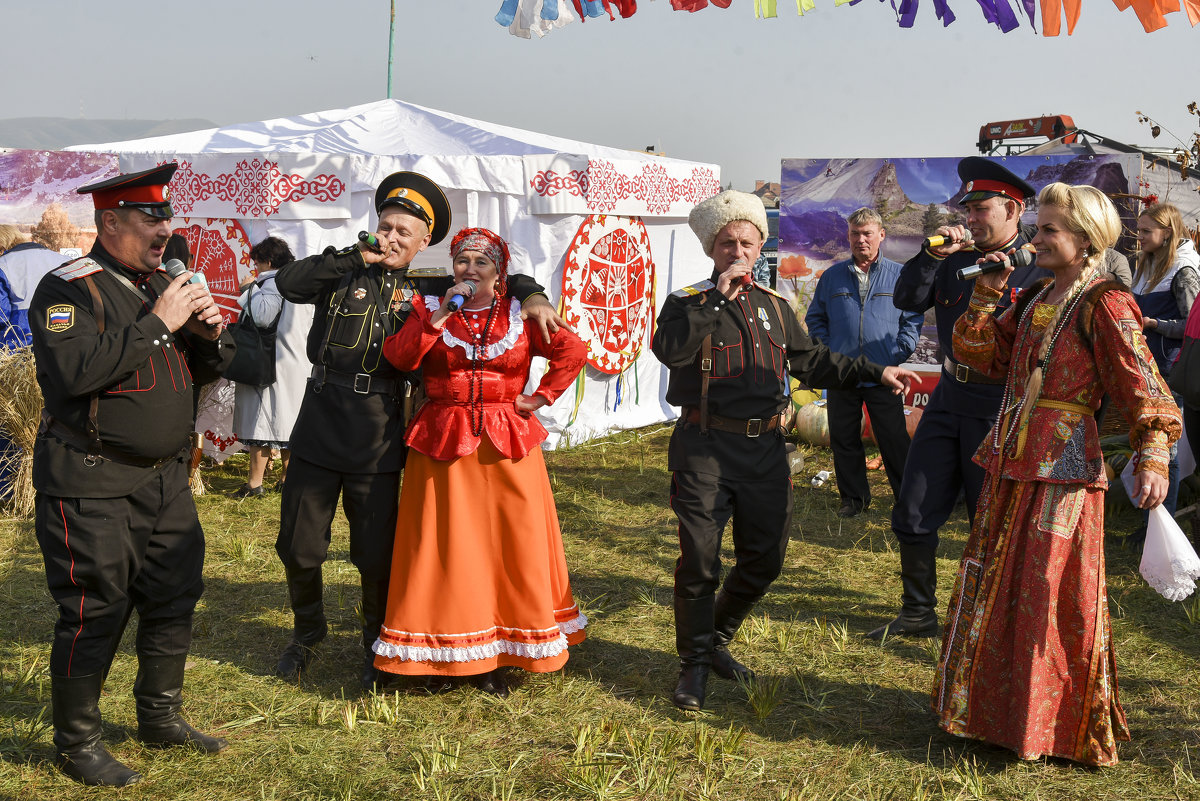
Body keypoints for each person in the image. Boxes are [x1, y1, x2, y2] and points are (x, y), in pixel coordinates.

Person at [273, 171, 564, 689]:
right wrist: (356, 255)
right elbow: (289, 283)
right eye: (385, 227)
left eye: (403, 234)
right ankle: (306, 633)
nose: (391, 239)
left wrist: (533, 291)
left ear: (423, 243)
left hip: (380, 426)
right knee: (299, 543)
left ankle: (373, 641)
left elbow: (490, 278)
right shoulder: (341, 271)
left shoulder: (430, 288)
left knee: (374, 549)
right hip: (321, 416)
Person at [933, 182, 1180, 767]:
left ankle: (1050, 727)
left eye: (1048, 230)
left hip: (1064, 464)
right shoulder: (1041, 291)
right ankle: (996, 715)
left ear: (1086, 239)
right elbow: (983, 357)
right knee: (1001, 578)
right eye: (1038, 228)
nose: (1036, 239)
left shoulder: (1106, 302)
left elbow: (1144, 386)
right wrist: (986, 297)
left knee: (1049, 587)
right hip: (1016, 454)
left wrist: (1152, 455)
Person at [652, 190, 917, 711]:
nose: (738, 252)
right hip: (704, 448)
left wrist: (876, 372)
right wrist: (717, 300)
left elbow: (813, 361)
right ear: (712, 249)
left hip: (766, 450)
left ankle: (718, 639)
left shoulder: (775, 307)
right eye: (727, 243)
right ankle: (695, 665)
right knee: (700, 560)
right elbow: (671, 350)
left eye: (747, 243)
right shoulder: (687, 302)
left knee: (765, 559)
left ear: (759, 247)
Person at [28, 164, 234, 786]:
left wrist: (207, 334)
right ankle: (78, 741)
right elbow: (73, 374)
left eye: (167, 219)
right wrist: (158, 324)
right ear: (109, 221)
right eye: (150, 220)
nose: (164, 231)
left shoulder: (158, 286)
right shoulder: (68, 289)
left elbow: (221, 366)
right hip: (92, 479)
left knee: (174, 596)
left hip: (165, 479)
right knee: (96, 607)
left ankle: (160, 715)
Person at [371, 227, 587, 695]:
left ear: (499, 271)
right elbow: (401, 358)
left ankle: (501, 647)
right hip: (443, 439)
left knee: (507, 542)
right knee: (445, 544)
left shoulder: (522, 314)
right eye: (462, 262)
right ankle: (440, 647)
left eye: (481, 263)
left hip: (508, 440)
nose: (470, 270)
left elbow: (573, 350)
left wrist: (540, 396)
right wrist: (438, 317)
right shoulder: (430, 310)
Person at [870, 157, 1050, 641]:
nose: (970, 217)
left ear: (1012, 209)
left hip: (1001, 407)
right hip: (950, 397)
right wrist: (931, 255)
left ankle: (990, 624)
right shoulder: (953, 261)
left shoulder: (1038, 270)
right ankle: (917, 612)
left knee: (988, 519)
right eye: (967, 208)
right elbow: (908, 299)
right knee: (913, 505)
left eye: (981, 208)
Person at [805, 208, 923, 517]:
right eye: (855, 234)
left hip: (884, 374)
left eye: (867, 233)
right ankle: (854, 500)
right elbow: (815, 319)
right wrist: (829, 354)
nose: (861, 239)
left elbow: (912, 319)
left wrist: (897, 355)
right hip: (841, 374)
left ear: (881, 235)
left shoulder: (899, 275)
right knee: (844, 439)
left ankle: (906, 500)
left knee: (894, 439)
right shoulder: (832, 277)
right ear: (848, 236)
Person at [1130, 202, 1199, 520]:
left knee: (1165, 450)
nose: (1139, 236)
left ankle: (1161, 526)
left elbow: (1193, 326)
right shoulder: (1147, 263)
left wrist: (1157, 325)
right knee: (1148, 446)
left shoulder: (1184, 270)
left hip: (1170, 371)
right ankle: (1149, 520)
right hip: (1147, 367)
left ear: (1167, 232)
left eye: (1146, 231)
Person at [230, 236, 308, 497]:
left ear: (268, 261)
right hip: (295, 363)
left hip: (271, 364)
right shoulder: (299, 283)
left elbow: (263, 316)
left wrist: (248, 290)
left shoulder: (274, 283)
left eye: (257, 262)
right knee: (289, 425)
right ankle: (288, 479)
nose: (255, 267)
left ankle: (254, 484)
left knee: (262, 423)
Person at [0, 230, 66, 348]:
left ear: (2, 248)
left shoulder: (3, 265)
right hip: (64, 345)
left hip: (19, 348)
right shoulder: (65, 260)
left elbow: (1, 315)